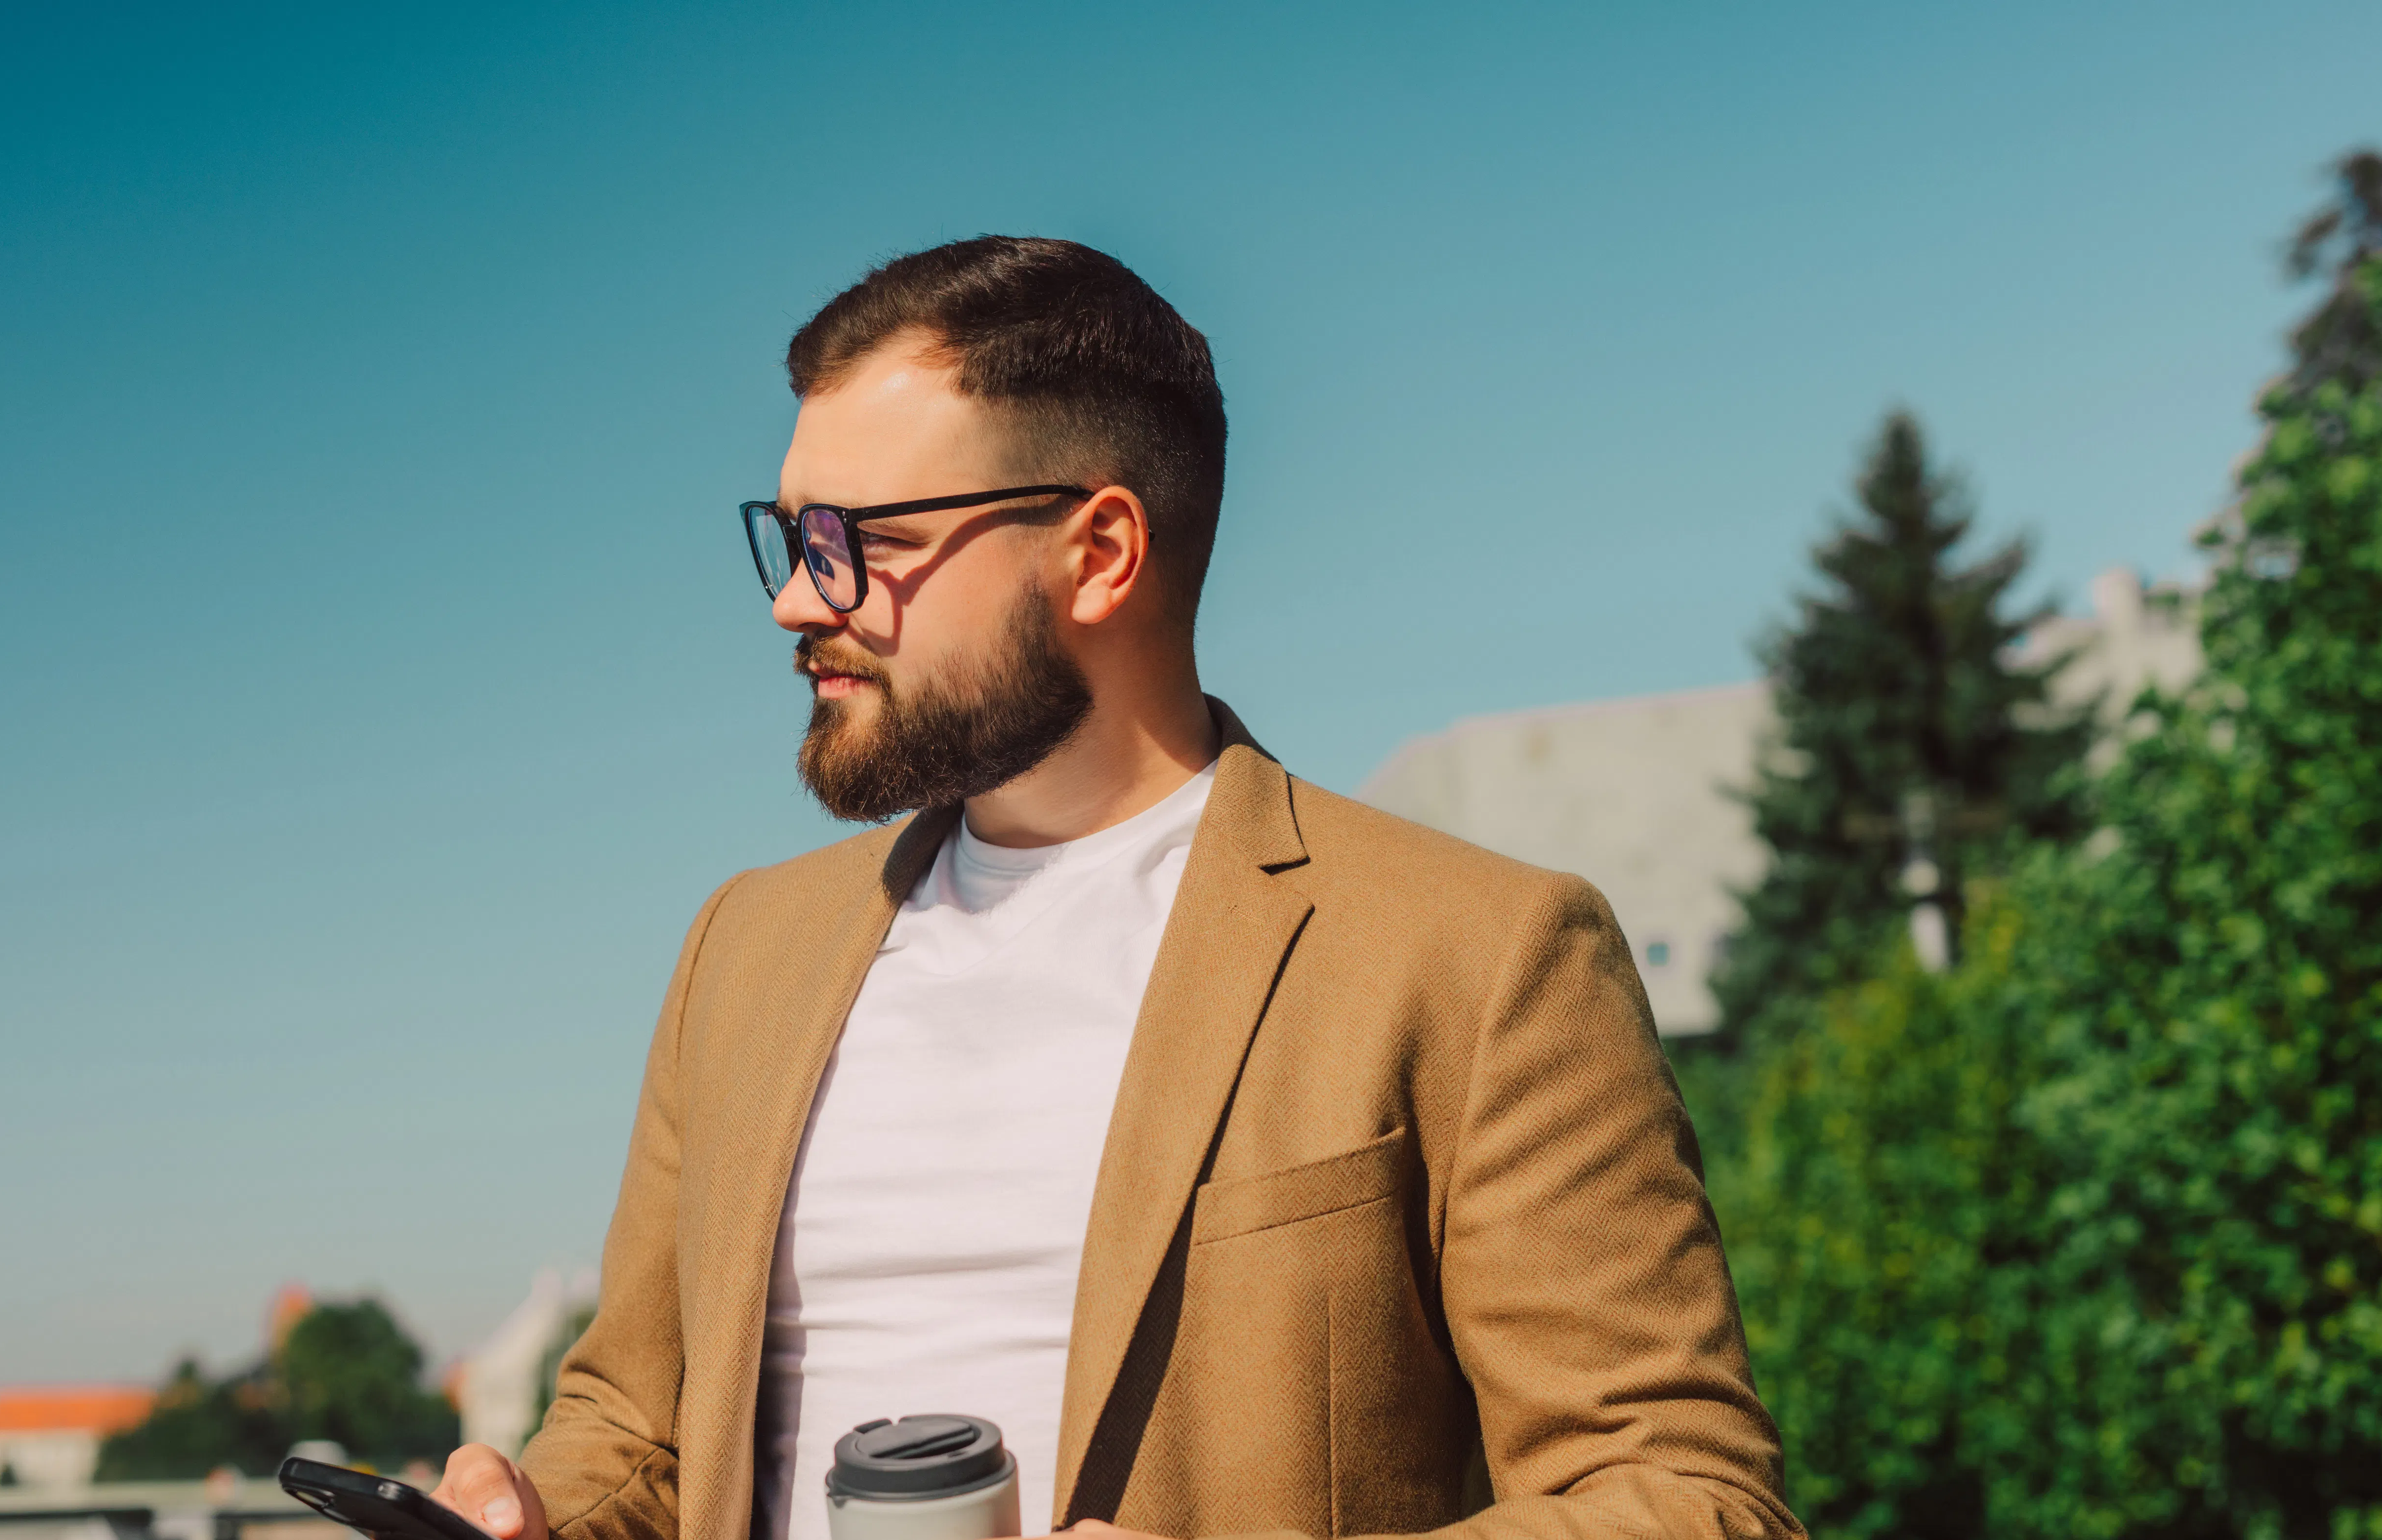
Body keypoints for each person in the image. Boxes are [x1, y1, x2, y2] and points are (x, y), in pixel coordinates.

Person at [431, 237, 1800, 1540]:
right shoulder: (741, 950)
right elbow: (639, 1433)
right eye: (789, 537)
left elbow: (1688, 1496)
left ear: (1100, 552)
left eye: (857, 539)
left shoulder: (1482, 956)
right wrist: (531, 1510)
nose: (797, 599)